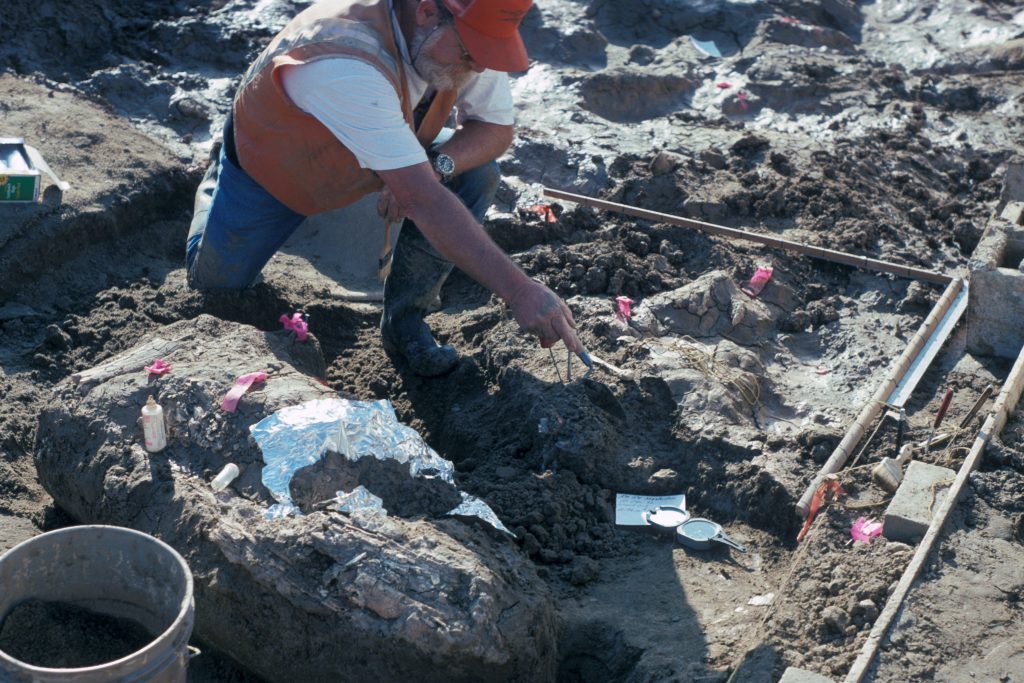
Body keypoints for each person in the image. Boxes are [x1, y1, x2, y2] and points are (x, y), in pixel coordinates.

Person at [185, 0, 582, 376]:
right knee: (218, 291)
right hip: (276, 164)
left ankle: (404, 322)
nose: (478, 66)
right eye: (468, 53)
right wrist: (519, 291)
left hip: (378, 146)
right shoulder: (342, 57)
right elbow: (422, 200)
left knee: (478, 173)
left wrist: (438, 167)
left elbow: (496, 129)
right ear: (427, 11)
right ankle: (218, 176)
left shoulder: (465, 31)